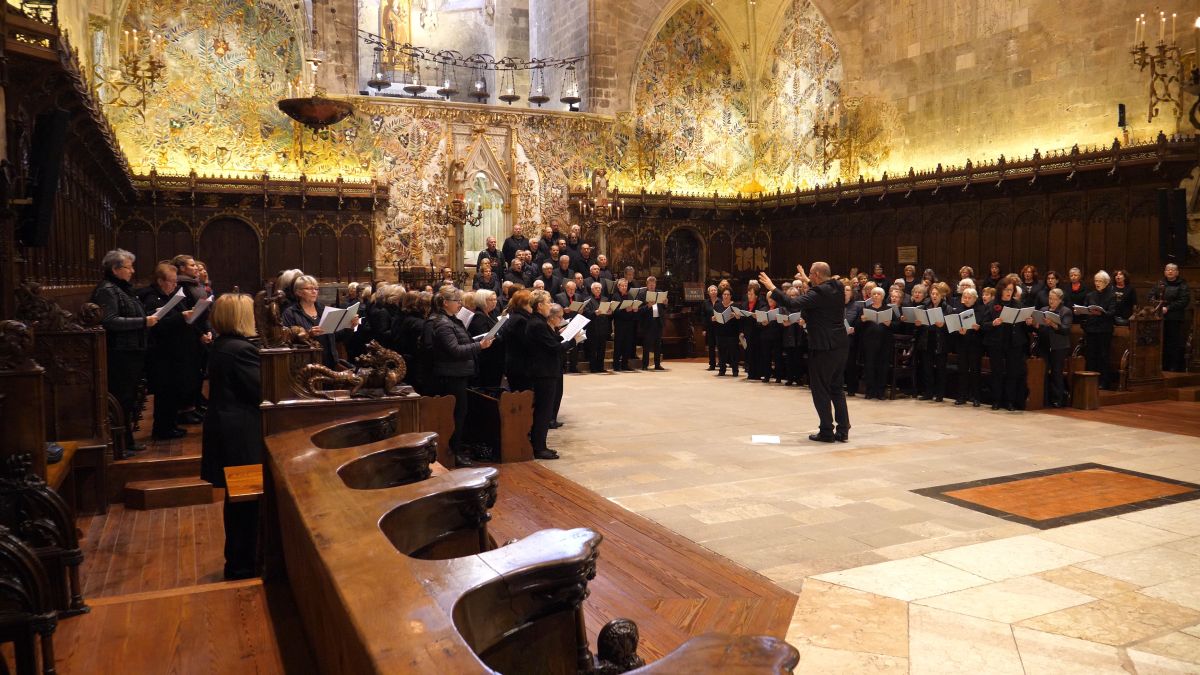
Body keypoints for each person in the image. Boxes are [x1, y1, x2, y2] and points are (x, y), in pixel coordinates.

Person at [201, 293, 262, 580]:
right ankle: (242, 565)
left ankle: (240, 561)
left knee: (240, 502)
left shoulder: (224, 344)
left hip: (229, 429)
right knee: (246, 503)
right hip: (241, 436)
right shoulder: (240, 350)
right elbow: (262, 390)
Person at [760, 264, 850, 443]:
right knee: (836, 388)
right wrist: (806, 280)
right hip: (840, 345)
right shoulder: (838, 287)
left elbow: (792, 303)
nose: (808, 277)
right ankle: (843, 430)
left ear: (816, 274)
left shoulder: (818, 293)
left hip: (823, 346)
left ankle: (826, 431)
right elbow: (821, 289)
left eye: (810, 274)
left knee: (820, 389)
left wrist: (772, 288)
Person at [92, 249, 158, 454]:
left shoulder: (121, 288)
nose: (132, 271)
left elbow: (130, 312)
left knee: (128, 398)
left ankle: (127, 441)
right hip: (120, 353)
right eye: (129, 267)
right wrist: (143, 321)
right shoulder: (107, 290)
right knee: (121, 398)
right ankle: (119, 445)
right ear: (115, 269)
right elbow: (109, 321)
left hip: (131, 350)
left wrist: (148, 316)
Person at [425, 286, 494, 467]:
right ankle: (453, 453)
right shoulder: (443, 323)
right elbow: (454, 350)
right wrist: (480, 346)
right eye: (457, 301)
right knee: (456, 414)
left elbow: (461, 342)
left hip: (458, 372)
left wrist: (477, 342)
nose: (460, 304)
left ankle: (456, 449)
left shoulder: (451, 320)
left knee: (460, 413)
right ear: (445, 303)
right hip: (451, 375)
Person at [138, 262, 199, 440]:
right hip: (162, 355)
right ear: (160, 281)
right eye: (172, 281)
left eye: (175, 281)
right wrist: (181, 317)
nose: (175, 285)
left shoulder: (170, 296)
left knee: (173, 392)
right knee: (165, 393)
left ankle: (170, 425)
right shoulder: (152, 298)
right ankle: (163, 430)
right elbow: (156, 326)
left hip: (174, 353)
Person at [526, 291, 573, 459]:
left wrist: (562, 336)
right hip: (543, 372)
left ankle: (541, 445)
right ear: (539, 305)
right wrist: (573, 340)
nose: (550, 305)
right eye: (548, 302)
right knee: (543, 411)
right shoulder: (538, 324)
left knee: (544, 410)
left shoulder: (539, 322)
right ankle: (539, 448)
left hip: (545, 371)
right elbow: (554, 348)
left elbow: (551, 342)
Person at [282, 275, 359, 367]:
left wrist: (350, 326)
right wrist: (308, 334)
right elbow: (286, 340)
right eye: (309, 288)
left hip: (329, 362)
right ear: (298, 292)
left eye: (316, 289)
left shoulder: (323, 310)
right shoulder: (291, 313)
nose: (314, 291)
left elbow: (337, 337)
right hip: (306, 364)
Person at [983, 279, 1030, 410]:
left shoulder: (1018, 304)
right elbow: (983, 325)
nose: (1009, 292)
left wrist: (1028, 322)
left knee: (1012, 372)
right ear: (1001, 290)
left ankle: (1010, 401)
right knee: (996, 372)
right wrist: (993, 323)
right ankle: (996, 400)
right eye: (1006, 289)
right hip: (996, 342)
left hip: (1014, 343)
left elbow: (1024, 327)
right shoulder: (992, 304)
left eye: (1011, 290)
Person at [1150, 263, 1192, 371]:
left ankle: (1173, 366)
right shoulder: (1160, 283)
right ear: (1164, 272)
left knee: (1173, 342)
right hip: (1159, 318)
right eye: (1168, 269)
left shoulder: (1182, 285)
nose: (1170, 271)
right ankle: (1161, 365)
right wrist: (1157, 306)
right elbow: (1151, 296)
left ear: (1177, 272)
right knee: (1161, 341)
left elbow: (1183, 301)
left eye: (1173, 270)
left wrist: (1168, 308)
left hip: (1174, 318)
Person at [857, 287, 894, 400]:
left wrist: (890, 324)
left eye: (878, 294)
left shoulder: (888, 309)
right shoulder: (865, 309)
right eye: (874, 294)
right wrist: (862, 320)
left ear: (883, 297)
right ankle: (870, 391)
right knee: (869, 367)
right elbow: (857, 326)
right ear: (871, 296)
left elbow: (897, 324)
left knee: (883, 367)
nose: (876, 296)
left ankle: (880, 392)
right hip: (869, 342)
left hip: (884, 342)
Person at [1038, 288, 1073, 408]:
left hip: (1059, 347)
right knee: (1043, 372)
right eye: (1050, 298)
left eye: (1054, 299)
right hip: (1044, 345)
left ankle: (1057, 399)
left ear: (1060, 300)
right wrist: (1034, 324)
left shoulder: (1065, 311)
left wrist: (1053, 324)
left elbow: (1066, 329)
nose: (1051, 301)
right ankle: (1044, 398)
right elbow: (1039, 328)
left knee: (1056, 372)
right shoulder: (1043, 310)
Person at [1084, 270, 1117, 389]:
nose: (1097, 283)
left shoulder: (1111, 295)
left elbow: (1112, 312)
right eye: (1096, 281)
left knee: (1103, 356)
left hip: (1104, 330)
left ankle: (1104, 382)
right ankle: (1090, 381)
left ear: (1107, 282)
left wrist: (1101, 313)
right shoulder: (1090, 295)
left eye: (1100, 281)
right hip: (1091, 329)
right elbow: (1085, 309)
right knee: (1091, 355)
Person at [919, 282, 951, 402]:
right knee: (927, 369)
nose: (934, 296)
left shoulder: (947, 308)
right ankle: (928, 392)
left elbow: (951, 325)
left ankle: (940, 394)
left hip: (940, 341)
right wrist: (919, 323)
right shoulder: (925, 306)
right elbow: (922, 324)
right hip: (927, 340)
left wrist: (943, 325)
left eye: (937, 294)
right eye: (932, 293)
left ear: (941, 295)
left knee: (940, 369)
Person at [953, 288, 984, 406]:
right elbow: (953, 327)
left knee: (975, 371)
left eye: (969, 298)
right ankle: (961, 396)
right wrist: (958, 331)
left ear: (975, 299)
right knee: (962, 371)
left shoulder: (981, 310)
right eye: (964, 297)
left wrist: (978, 328)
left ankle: (976, 397)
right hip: (962, 344)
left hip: (975, 345)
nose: (966, 300)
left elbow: (985, 327)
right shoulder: (958, 310)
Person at [468, 289, 504, 388]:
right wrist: (498, 334)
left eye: (495, 299)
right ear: (482, 301)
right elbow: (482, 336)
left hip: (495, 356)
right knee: (489, 386)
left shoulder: (491, 314)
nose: (495, 302)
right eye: (491, 300)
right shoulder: (479, 316)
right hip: (487, 359)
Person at [501, 289, 534, 391]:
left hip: (517, 364)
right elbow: (527, 343)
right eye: (531, 303)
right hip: (520, 366)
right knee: (523, 395)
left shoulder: (516, 316)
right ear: (524, 304)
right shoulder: (521, 320)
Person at [611, 279, 639, 371]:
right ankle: (616, 365)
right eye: (622, 286)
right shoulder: (615, 296)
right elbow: (614, 311)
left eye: (626, 286)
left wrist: (635, 310)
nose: (624, 287)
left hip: (629, 323)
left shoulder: (630, 296)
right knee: (618, 345)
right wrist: (624, 310)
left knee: (627, 344)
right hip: (619, 324)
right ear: (618, 286)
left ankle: (625, 364)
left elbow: (633, 307)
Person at [582, 281, 611, 373]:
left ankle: (600, 367)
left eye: (599, 288)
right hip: (592, 327)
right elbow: (585, 313)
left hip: (603, 326)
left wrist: (610, 312)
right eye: (596, 288)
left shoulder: (605, 299)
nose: (598, 290)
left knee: (602, 349)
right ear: (592, 290)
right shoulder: (587, 299)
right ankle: (593, 367)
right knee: (593, 349)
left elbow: (608, 311)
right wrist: (594, 313)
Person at [639, 276, 666, 371]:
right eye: (650, 284)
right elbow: (639, 310)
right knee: (646, 345)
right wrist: (648, 306)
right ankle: (645, 365)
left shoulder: (659, 293)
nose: (652, 286)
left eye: (653, 284)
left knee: (658, 345)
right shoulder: (642, 294)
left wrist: (665, 303)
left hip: (658, 322)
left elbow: (663, 308)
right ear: (647, 285)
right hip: (648, 323)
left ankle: (657, 364)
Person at [714, 288, 740, 376]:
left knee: (733, 353)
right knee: (721, 353)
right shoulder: (717, 305)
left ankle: (735, 371)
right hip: (720, 333)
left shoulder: (735, 306)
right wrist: (713, 318)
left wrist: (735, 316)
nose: (726, 296)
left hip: (732, 333)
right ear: (722, 296)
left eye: (728, 294)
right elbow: (713, 317)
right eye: (724, 294)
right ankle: (722, 370)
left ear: (730, 296)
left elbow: (740, 318)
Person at [842, 283, 862, 396]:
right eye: (843, 290)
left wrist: (854, 329)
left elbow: (859, 323)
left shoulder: (857, 306)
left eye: (847, 290)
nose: (845, 292)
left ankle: (851, 388)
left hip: (851, 339)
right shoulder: (836, 305)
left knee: (850, 364)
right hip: (837, 338)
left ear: (852, 293)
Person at [702, 285, 720, 370]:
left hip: (719, 326)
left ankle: (721, 363)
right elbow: (703, 316)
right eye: (711, 290)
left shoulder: (721, 301)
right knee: (711, 346)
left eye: (715, 290)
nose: (713, 292)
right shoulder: (705, 303)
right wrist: (704, 329)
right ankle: (712, 364)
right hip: (709, 327)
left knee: (720, 346)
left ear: (717, 292)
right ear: (709, 293)